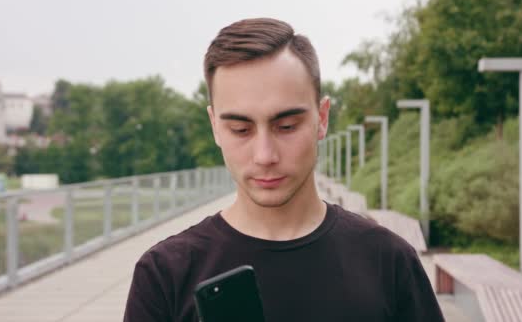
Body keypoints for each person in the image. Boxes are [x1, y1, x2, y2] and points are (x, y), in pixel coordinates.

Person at [124, 17, 444, 322]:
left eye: (286, 126)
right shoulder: (165, 274)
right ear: (215, 127)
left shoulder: (388, 261)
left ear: (322, 117)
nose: (265, 155)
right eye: (241, 129)